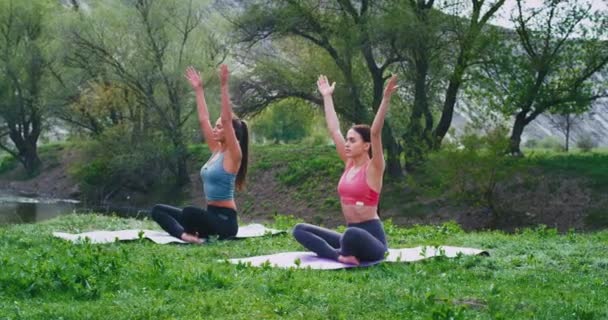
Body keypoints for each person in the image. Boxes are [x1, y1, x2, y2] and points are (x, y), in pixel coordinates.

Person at [292, 74, 398, 264]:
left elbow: (375, 132)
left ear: (366, 146)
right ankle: (340, 255)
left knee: (350, 234)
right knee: (300, 229)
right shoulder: (349, 163)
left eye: (352, 140)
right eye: (347, 140)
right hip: (350, 233)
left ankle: (344, 251)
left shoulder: (374, 167)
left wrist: (385, 99)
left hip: (370, 239)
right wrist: (326, 96)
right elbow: (334, 130)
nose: (347, 144)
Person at [150, 64, 249, 244]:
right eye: (216, 126)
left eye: (219, 127)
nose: (215, 128)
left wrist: (224, 85)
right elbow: (203, 119)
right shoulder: (216, 150)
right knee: (158, 210)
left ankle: (191, 233)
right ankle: (185, 236)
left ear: (230, 133)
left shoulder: (234, 155)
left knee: (189, 212)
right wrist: (198, 90)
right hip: (209, 216)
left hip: (225, 222)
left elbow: (226, 120)